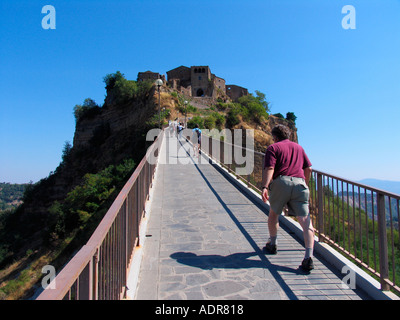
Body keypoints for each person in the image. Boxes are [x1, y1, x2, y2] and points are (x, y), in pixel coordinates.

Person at [261, 124, 315, 271]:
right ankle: (308, 257)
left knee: (274, 214)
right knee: (305, 221)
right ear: (289, 136)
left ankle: (272, 244)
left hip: (281, 182)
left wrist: (265, 186)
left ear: (275, 136)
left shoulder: (273, 148)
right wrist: (305, 183)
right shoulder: (299, 148)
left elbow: (270, 168)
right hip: (300, 183)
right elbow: (308, 168)